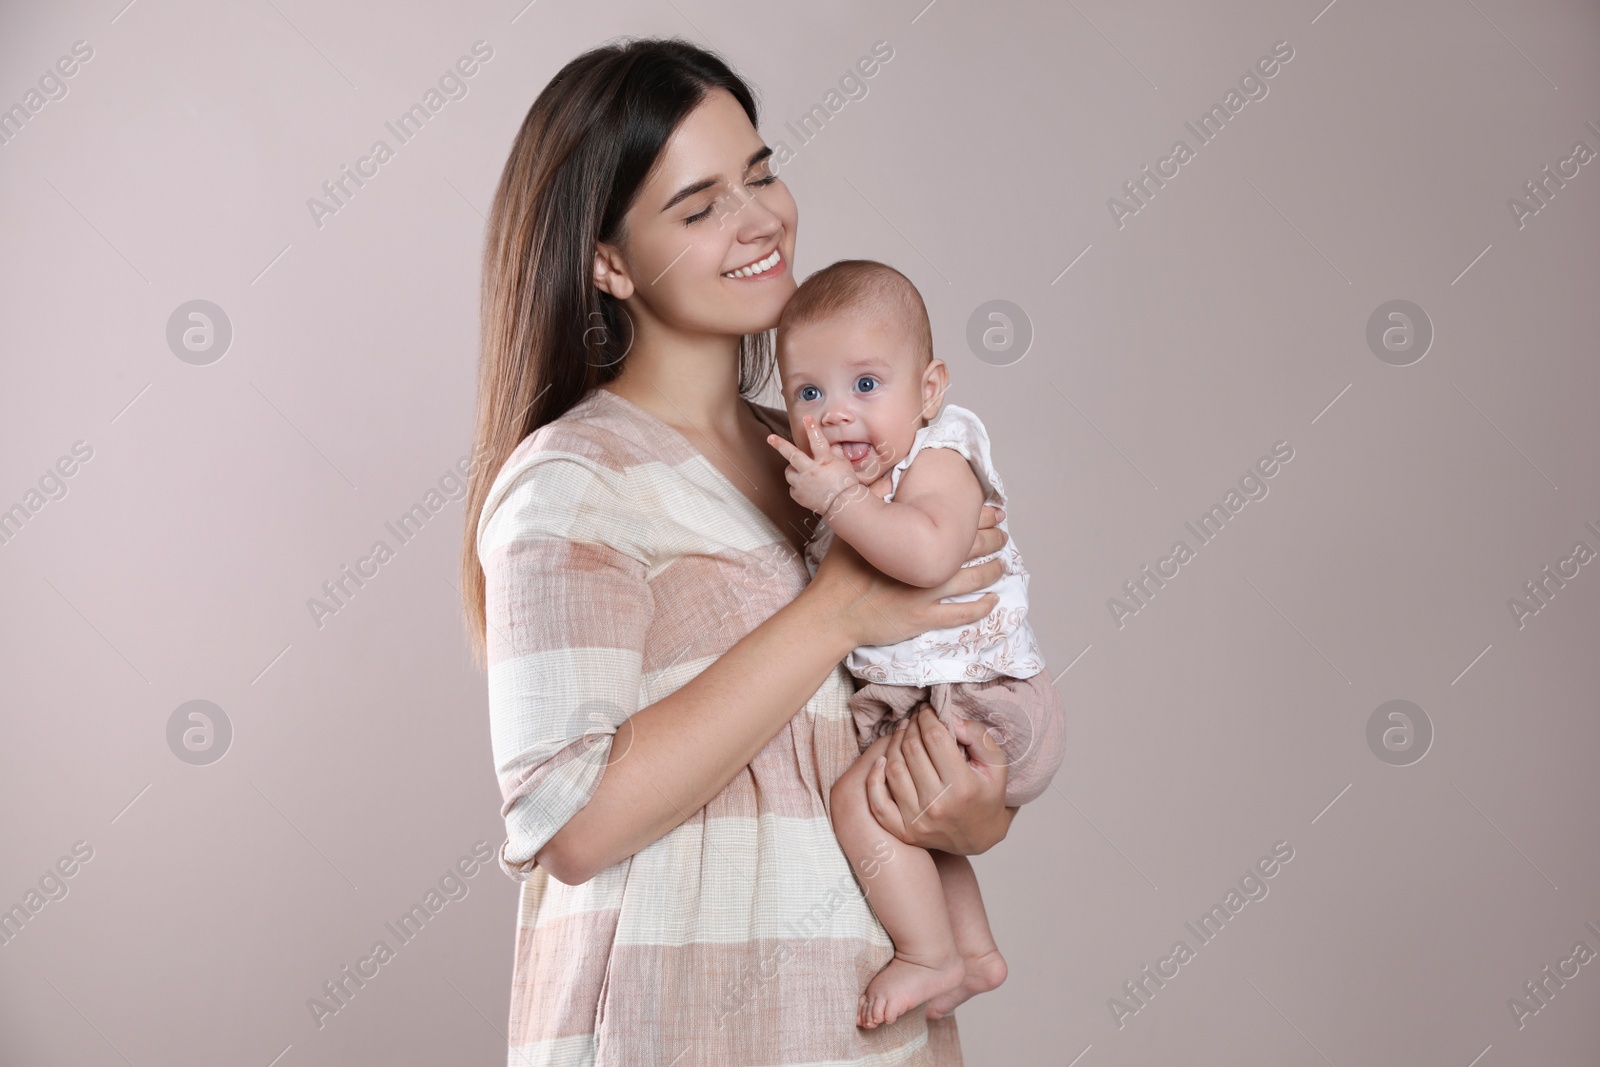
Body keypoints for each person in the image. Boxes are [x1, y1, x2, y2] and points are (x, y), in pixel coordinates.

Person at [458, 37, 1020, 1066]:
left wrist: (970, 807)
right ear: (608, 262)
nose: (760, 219)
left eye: (758, 172)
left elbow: (869, 742)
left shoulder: (837, 462)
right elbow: (568, 820)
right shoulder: (574, 479)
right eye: (699, 203)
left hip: (876, 1035)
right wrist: (835, 612)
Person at [765, 259, 1067, 1029]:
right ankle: (971, 949)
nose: (834, 414)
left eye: (866, 385)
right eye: (809, 392)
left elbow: (930, 555)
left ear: (928, 391)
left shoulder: (939, 454)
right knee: (914, 822)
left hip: (985, 700)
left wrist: (837, 499)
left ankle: (928, 953)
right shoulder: (864, 483)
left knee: (857, 802)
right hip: (936, 701)